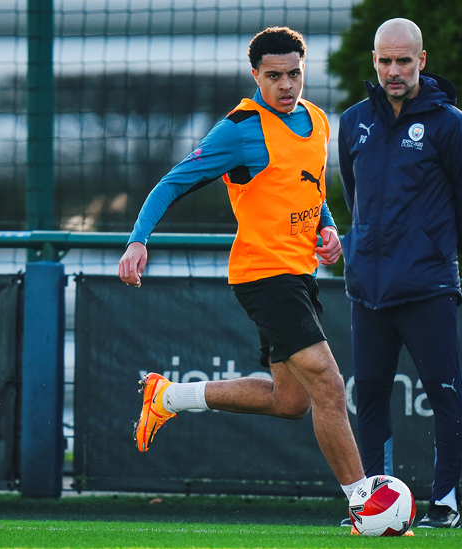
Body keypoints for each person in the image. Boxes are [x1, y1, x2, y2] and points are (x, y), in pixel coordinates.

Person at [118, 26, 370, 510]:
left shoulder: (317, 119)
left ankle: (167, 398)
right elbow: (171, 183)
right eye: (274, 76)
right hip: (263, 275)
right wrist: (137, 241)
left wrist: (328, 228)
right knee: (330, 384)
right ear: (255, 75)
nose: (286, 86)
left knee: (290, 401)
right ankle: (364, 504)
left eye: (294, 74)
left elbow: (310, 187)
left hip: (299, 273)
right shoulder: (240, 128)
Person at [337, 18, 462, 529]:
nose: (393, 70)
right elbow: (353, 197)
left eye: (404, 60)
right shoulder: (354, 121)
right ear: (374, 62)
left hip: (427, 288)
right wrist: (364, 248)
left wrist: (429, 249)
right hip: (368, 290)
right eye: (385, 61)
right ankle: (371, 506)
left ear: (422, 61)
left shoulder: (454, 125)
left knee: (445, 393)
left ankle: (444, 502)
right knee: (371, 398)